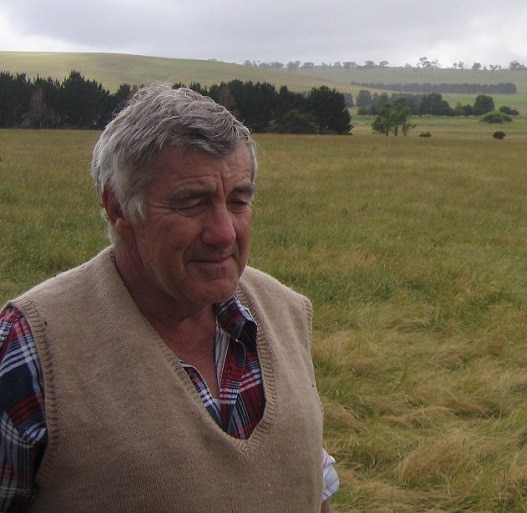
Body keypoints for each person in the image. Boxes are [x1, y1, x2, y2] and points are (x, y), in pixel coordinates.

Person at [0, 84, 338, 512]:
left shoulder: (286, 312)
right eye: (192, 203)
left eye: (238, 201)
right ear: (119, 207)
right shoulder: (32, 348)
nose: (224, 233)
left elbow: (310, 481)